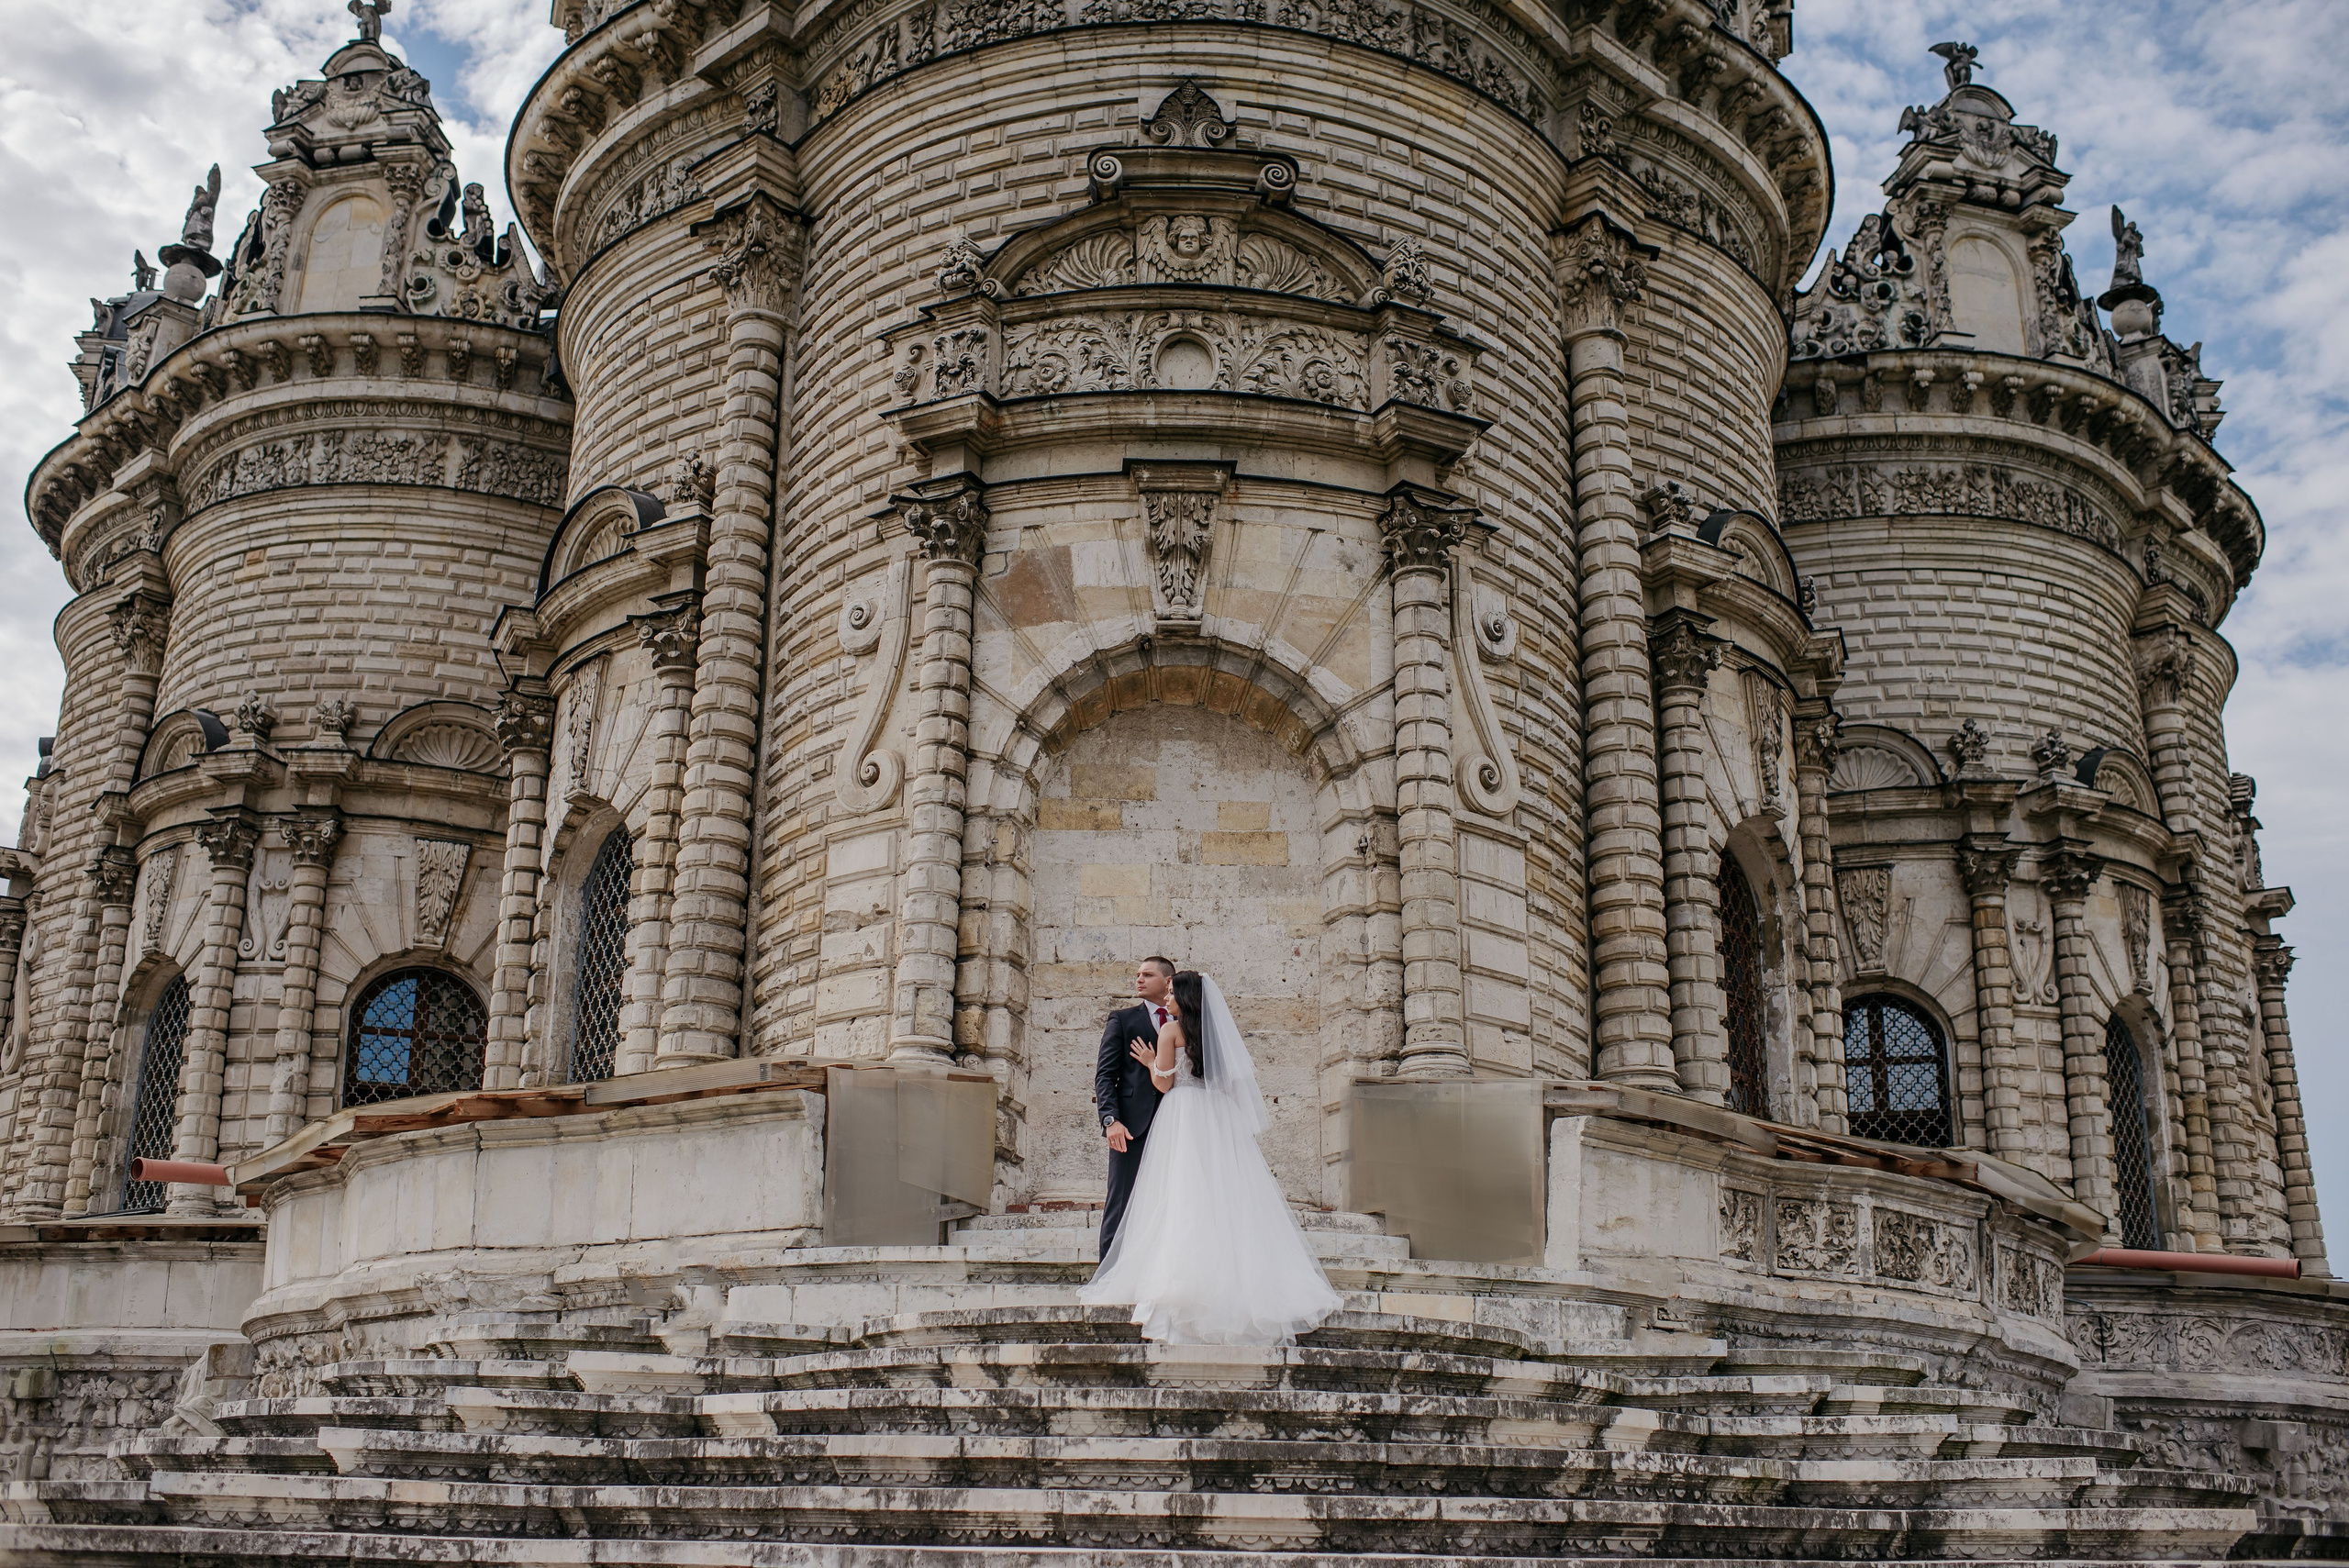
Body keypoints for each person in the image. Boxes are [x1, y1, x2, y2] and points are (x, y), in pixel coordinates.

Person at [1080, 969, 1341, 1344]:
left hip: (1182, 1114)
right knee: (1223, 1194)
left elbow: (1164, 1083)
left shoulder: (1170, 1031)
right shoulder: (1215, 1033)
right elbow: (1227, 1081)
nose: (1166, 1000)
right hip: (1216, 1115)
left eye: (1170, 993)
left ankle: (1181, 1276)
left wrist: (1152, 1061)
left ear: (1182, 998)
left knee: (1180, 1193)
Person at [1093, 957, 1174, 1260]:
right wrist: (1110, 1120)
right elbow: (1105, 1075)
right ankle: (1107, 1274)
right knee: (1121, 1201)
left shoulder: (1186, 1021)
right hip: (1131, 1127)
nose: (1139, 979)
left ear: (1168, 982)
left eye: (1147, 974)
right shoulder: (1123, 1019)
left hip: (1177, 1124)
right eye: (1138, 974)